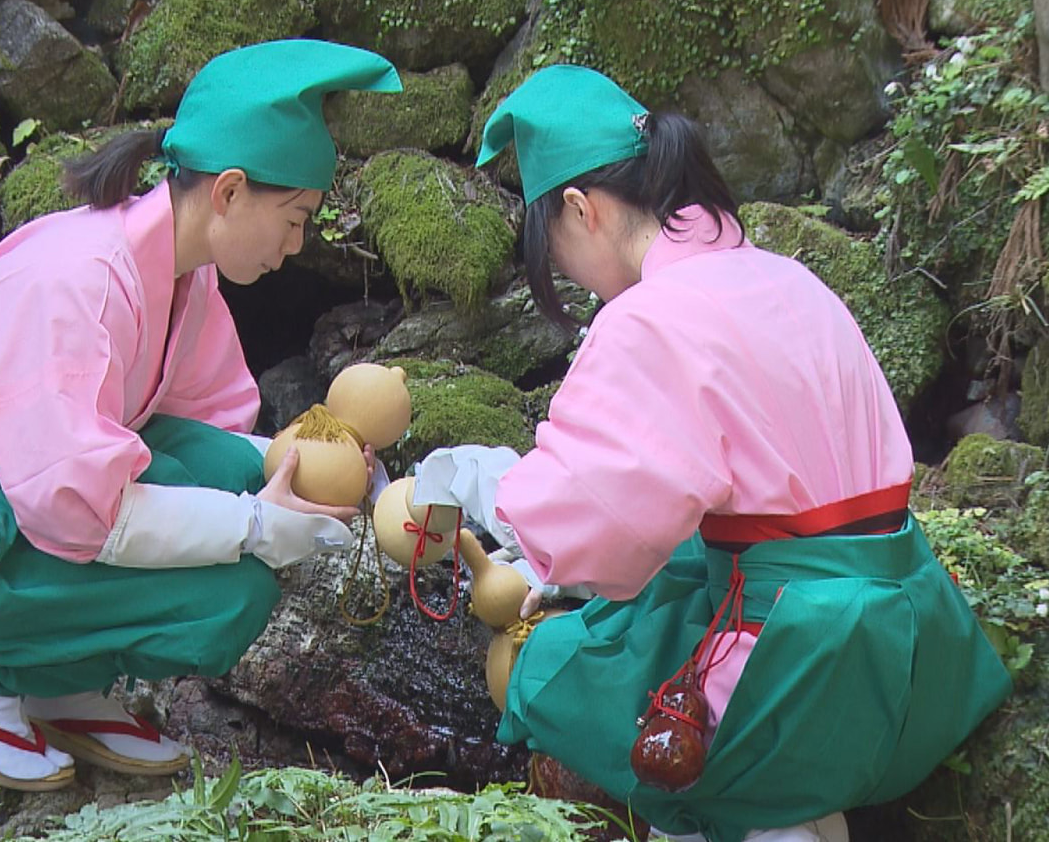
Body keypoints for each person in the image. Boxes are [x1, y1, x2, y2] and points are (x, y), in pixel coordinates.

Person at [413, 65, 1011, 842]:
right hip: (912, 640)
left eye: (554, 251)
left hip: (799, 653)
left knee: (560, 661)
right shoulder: (789, 279)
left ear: (579, 208)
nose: (566, 274)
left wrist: (468, 478)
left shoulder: (652, 318)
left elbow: (588, 530)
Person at [0, 40, 402, 791]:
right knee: (233, 591)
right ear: (227, 192)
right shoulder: (83, 281)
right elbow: (83, 511)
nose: (295, 247)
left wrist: (340, 464)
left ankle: (60, 684)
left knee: (225, 468)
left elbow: (216, 432)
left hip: (23, 501)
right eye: (294, 219)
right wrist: (254, 524)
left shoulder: (179, 273)